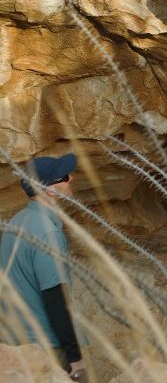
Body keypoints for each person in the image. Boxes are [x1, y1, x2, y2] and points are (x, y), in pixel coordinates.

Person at [0, 153, 87, 382]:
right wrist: (75, 356)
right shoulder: (48, 233)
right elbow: (55, 299)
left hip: (15, 341)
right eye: (65, 177)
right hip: (46, 347)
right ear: (49, 189)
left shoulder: (16, 221)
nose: (72, 179)